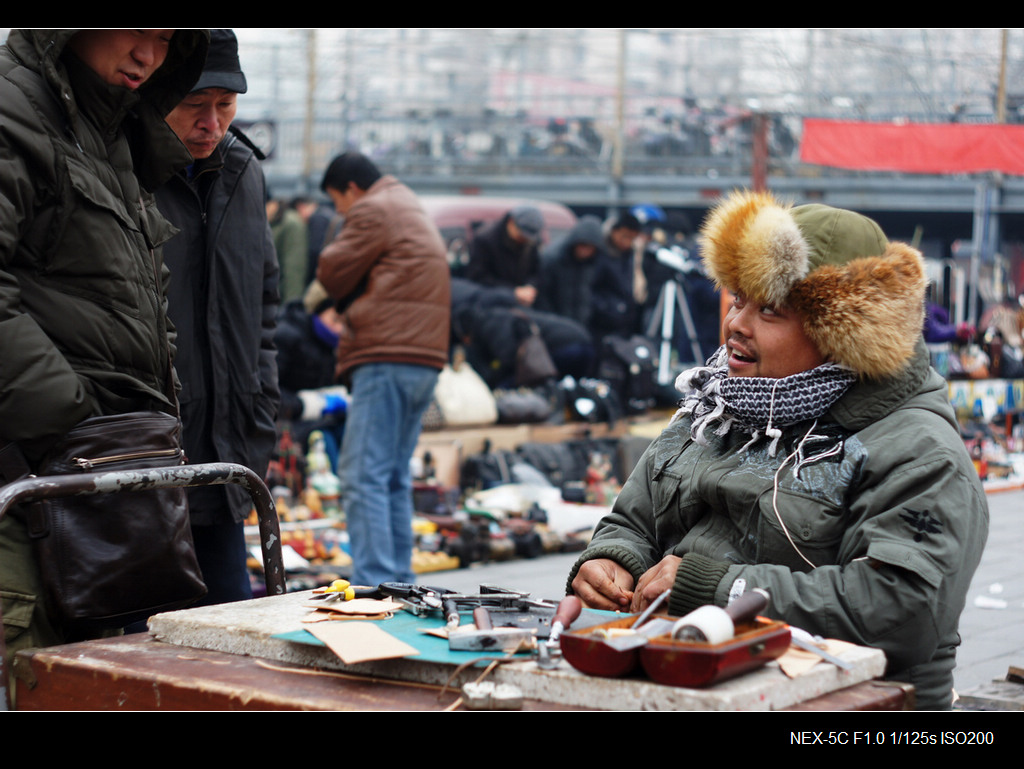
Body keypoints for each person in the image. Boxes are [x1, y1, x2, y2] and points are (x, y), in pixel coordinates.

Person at [568, 190, 989, 710]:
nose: (735, 324)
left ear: (842, 334)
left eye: (768, 310)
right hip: (701, 684)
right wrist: (615, 560)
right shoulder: (719, 403)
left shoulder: (918, 450)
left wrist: (719, 589)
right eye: (737, 298)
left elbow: (904, 611)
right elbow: (636, 518)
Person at [0, 29, 209, 651]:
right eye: (135, 31)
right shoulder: (15, 111)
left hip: (105, 476)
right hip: (32, 479)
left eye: (168, 39)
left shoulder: (109, 134)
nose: (149, 54)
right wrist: (70, 419)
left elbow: (140, 292)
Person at [156, 29, 280, 606]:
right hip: (147, 439)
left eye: (226, 107)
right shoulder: (123, 169)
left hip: (227, 436)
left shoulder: (243, 172)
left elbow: (265, 301)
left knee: (230, 613)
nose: (213, 124)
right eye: (195, 106)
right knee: (144, 628)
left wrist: (262, 398)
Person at [316, 152, 450, 586]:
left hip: (387, 356)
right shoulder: (406, 202)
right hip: (421, 358)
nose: (339, 211)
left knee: (361, 476)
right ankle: (398, 582)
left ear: (351, 189)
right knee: (390, 476)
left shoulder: (373, 208)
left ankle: (374, 582)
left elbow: (332, 271)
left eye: (338, 202)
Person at [465, 205, 544, 307]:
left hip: (523, 302)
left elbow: (535, 271)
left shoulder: (530, 243)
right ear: (511, 222)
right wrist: (512, 292)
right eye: (522, 235)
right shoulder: (485, 240)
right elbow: (477, 277)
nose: (524, 239)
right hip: (491, 304)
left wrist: (530, 287)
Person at [536, 214, 605, 330]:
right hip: (555, 325)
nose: (585, 251)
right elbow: (542, 295)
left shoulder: (593, 262)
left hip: (582, 325)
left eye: (590, 247)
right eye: (583, 245)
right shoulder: (553, 258)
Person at [589, 213, 644, 340]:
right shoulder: (600, 253)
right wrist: (607, 309)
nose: (627, 242)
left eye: (632, 238)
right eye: (625, 236)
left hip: (623, 324)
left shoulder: (628, 255)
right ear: (614, 231)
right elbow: (591, 287)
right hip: (600, 324)